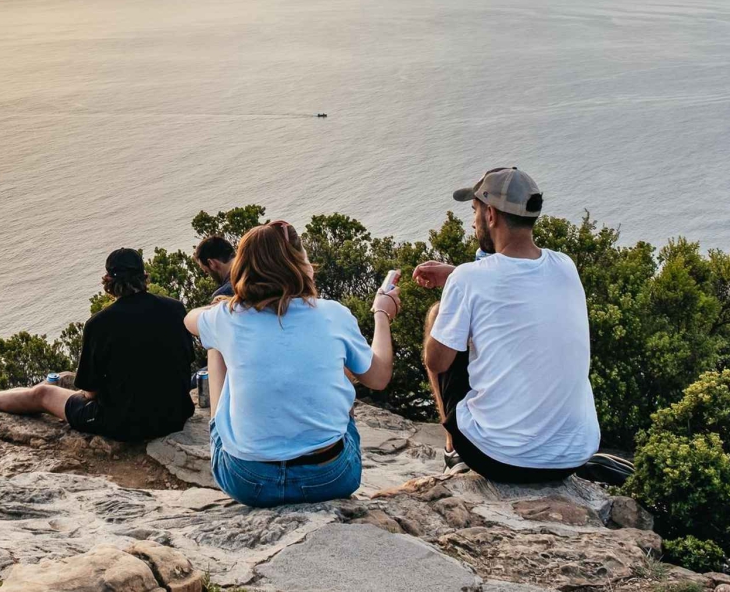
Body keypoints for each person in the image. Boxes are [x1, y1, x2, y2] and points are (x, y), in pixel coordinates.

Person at [184, 219, 399, 507]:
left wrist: (224, 306)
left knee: (214, 342)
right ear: (300, 262)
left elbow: (190, 320)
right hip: (330, 479)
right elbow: (379, 377)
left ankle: (226, 430)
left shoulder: (227, 316)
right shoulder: (333, 314)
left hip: (248, 482)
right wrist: (381, 314)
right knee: (333, 359)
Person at [413, 167, 600, 483]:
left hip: (499, 458)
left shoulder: (469, 280)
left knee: (438, 317)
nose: (473, 222)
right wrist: (458, 276)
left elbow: (437, 361)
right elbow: (517, 285)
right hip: (572, 456)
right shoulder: (565, 266)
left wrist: (454, 294)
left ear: (491, 215)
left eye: (474, 211)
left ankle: (454, 452)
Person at [0, 248, 194, 442]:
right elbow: (186, 361)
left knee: (43, 393)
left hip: (125, 425)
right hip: (175, 415)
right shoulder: (175, 308)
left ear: (108, 281)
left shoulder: (100, 324)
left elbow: (90, 392)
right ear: (143, 276)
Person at [194, 235, 236, 299]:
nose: (208, 276)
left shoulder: (223, 294)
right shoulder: (252, 266)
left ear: (211, 263)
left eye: (206, 271)